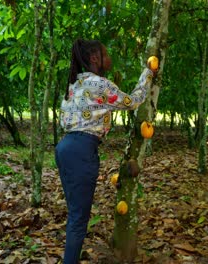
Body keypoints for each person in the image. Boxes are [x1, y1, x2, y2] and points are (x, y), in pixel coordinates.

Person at [54, 39, 157, 264]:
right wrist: (148, 73)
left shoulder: (75, 83)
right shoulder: (100, 84)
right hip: (81, 149)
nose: (109, 58)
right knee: (78, 220)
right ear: (94, 59)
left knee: (75, 216)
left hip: (65, 148)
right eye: (105, 54)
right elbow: (134, 101)